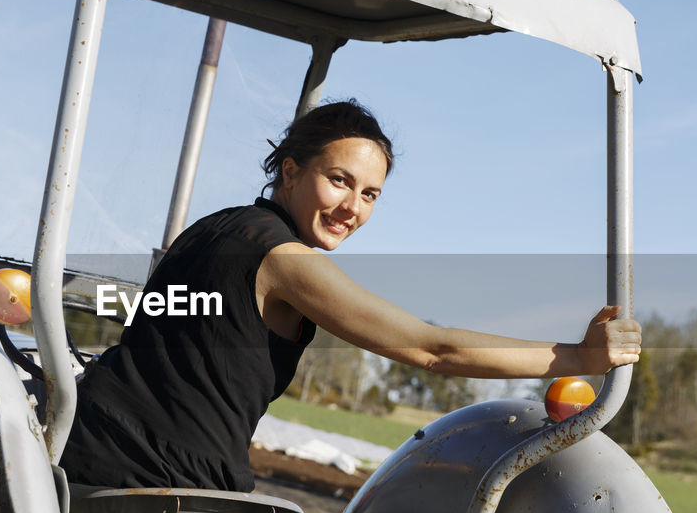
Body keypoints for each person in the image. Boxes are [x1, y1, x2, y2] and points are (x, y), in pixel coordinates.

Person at [59, 100, 641, 492]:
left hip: (87, 443)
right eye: (339, 180)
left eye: (370, 194)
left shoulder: (217, 225)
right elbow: (431, 350)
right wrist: (581, 358)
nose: (352, 209)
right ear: (289, 171)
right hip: (161, 481)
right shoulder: (284, 261)